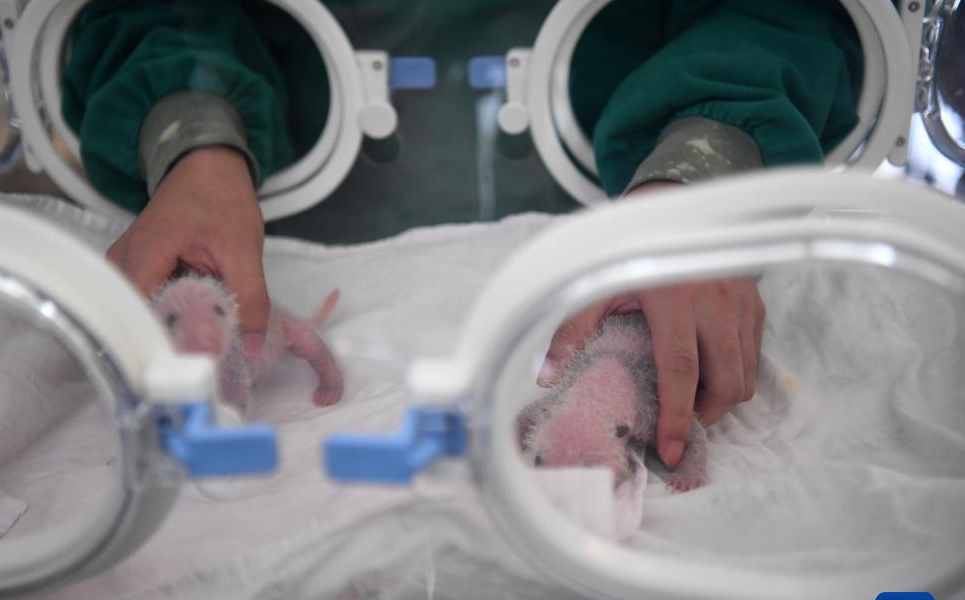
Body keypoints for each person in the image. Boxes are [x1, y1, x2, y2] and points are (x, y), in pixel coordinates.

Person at [62, 0, 862, 468]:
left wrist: (697, 174)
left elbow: (794, 17)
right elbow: (149, 14)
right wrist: (195, 141)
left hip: (624, 218)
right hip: (263, 219)